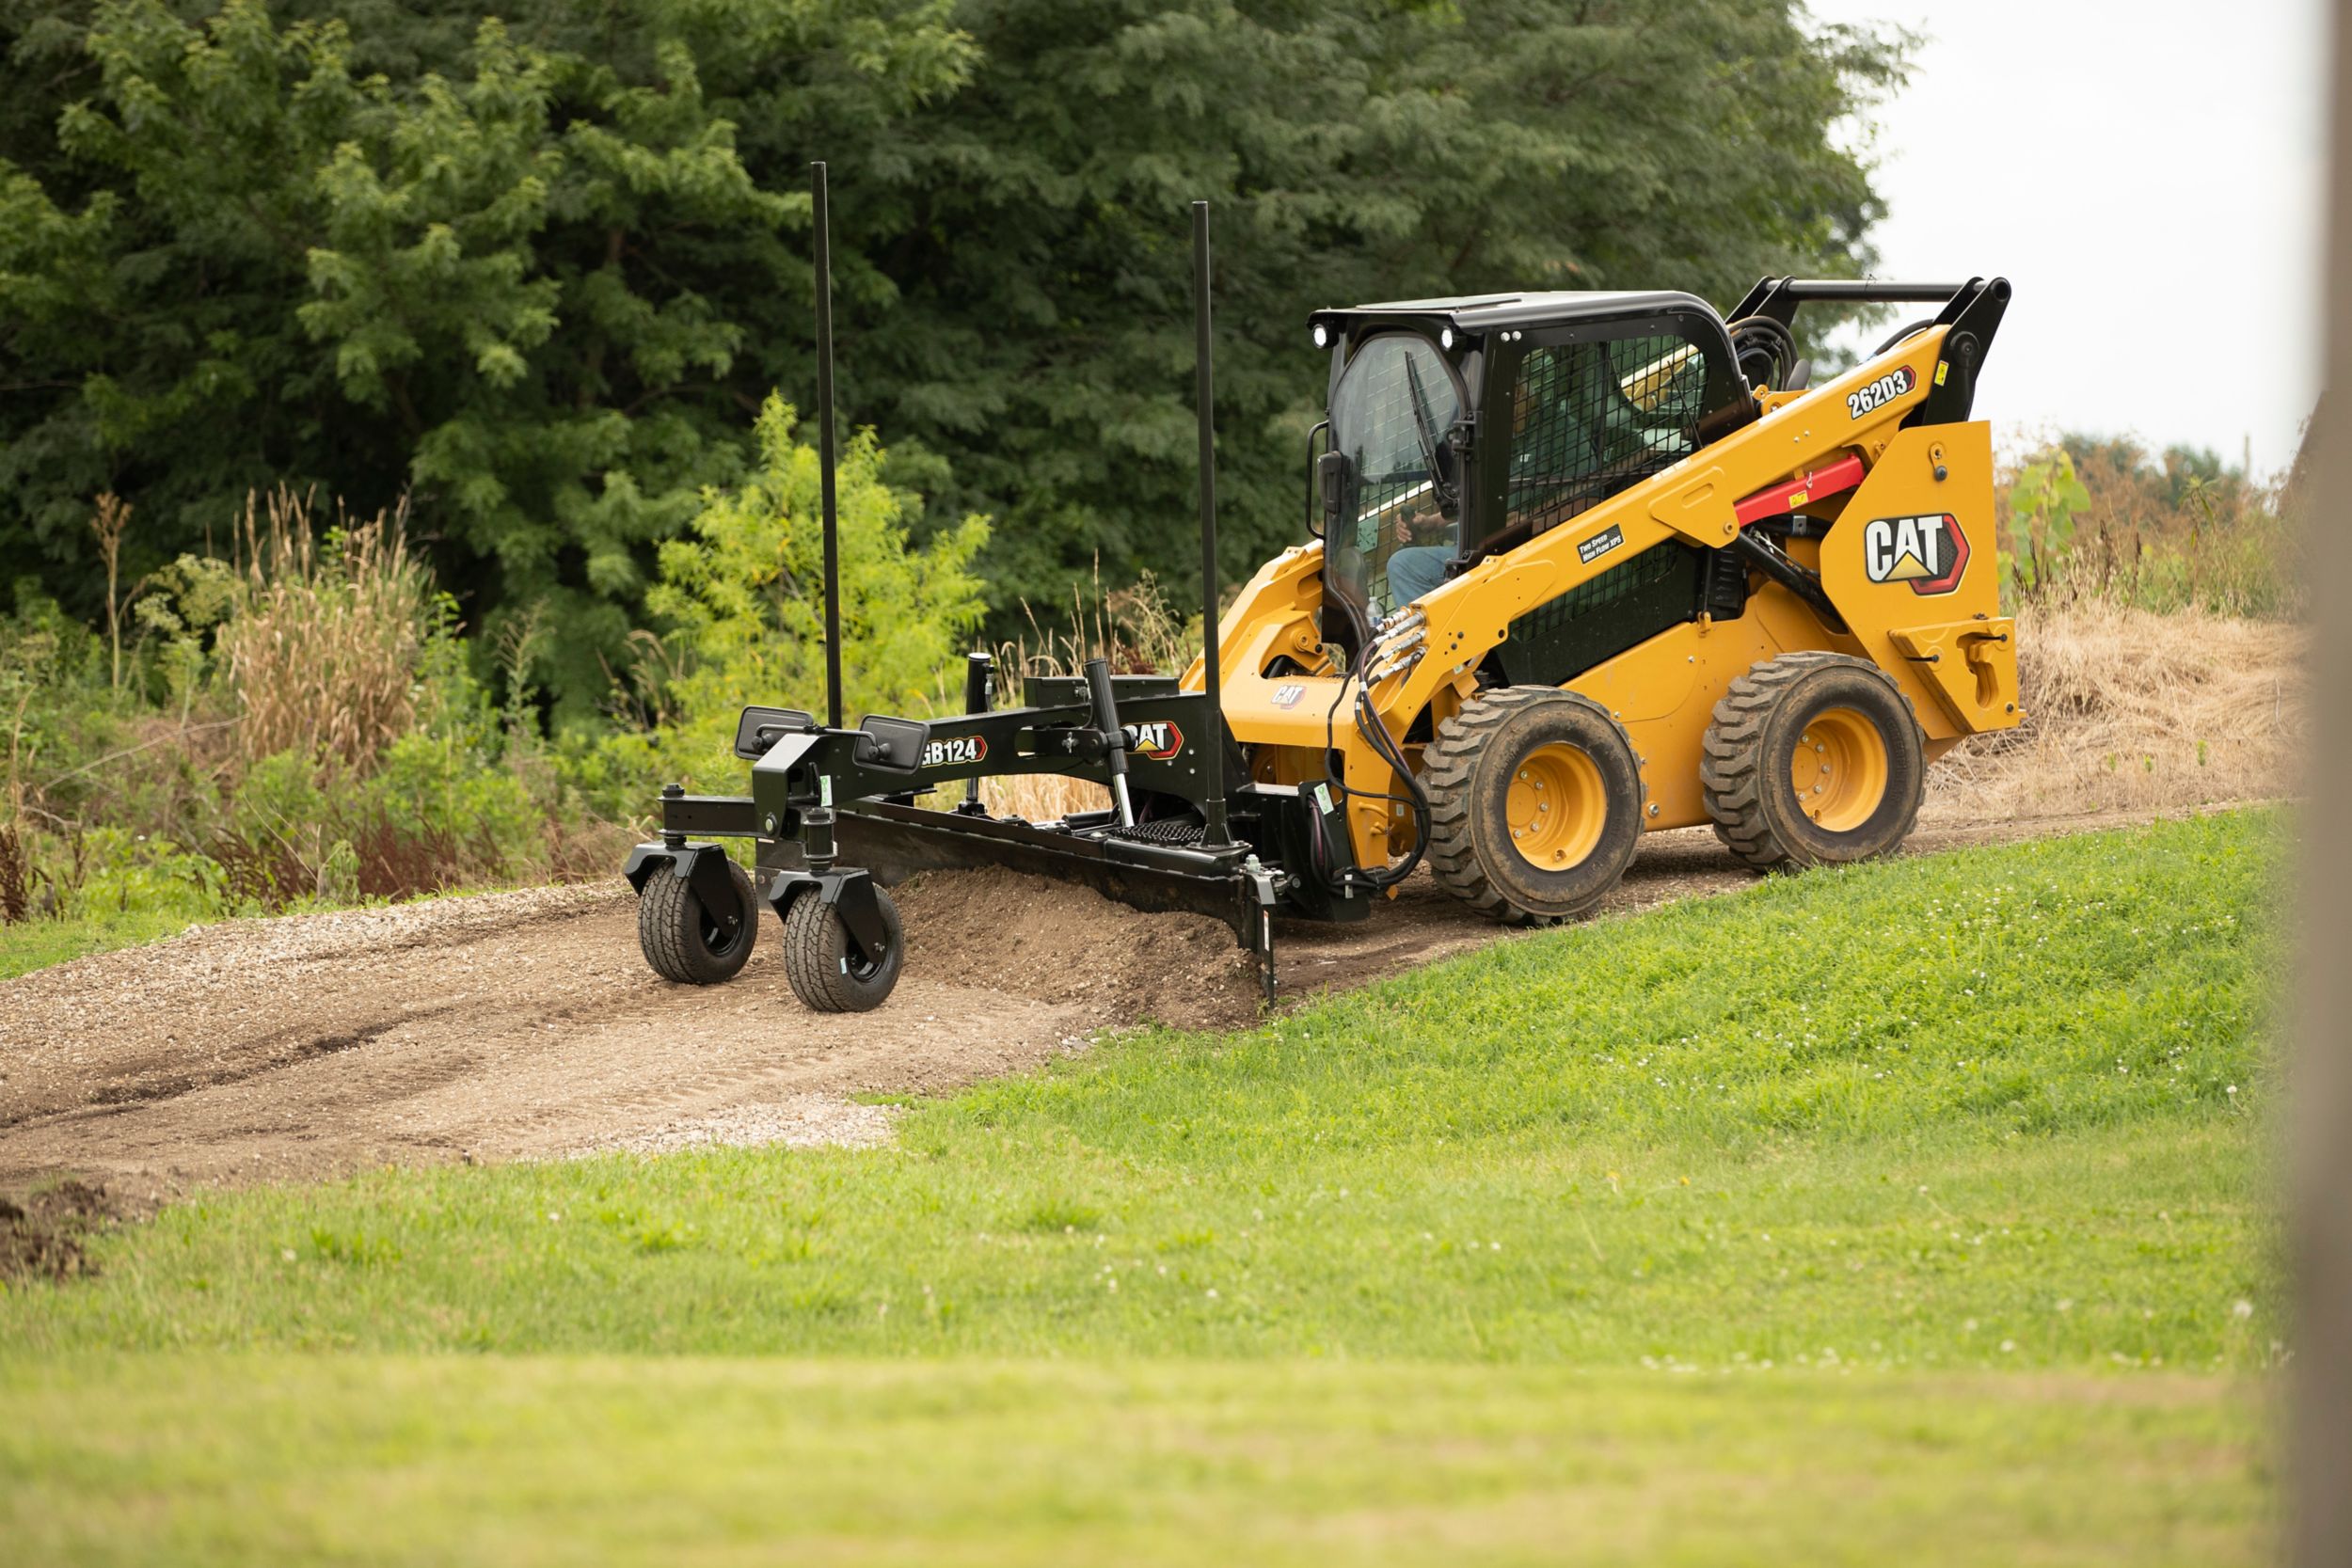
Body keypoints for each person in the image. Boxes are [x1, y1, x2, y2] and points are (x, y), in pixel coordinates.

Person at [1384, 507, 1454, 610]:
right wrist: (1433, 521)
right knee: (1403, 556)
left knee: (1401, 565)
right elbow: (1464, 506)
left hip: (1479, 547)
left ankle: (1425, 623)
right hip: (1461, 538)